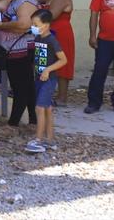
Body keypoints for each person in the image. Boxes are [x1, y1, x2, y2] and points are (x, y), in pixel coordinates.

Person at [0, 0, 40, 126]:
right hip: (12, 50)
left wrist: (0, 25)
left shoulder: (27, 2)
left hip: (21, 51)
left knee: (20, 88)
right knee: (28, 86)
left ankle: (13, 124)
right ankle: (33, 120)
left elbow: (24, 25)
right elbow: (0, 4)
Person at [27, 9, 67, 153]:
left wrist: (48, 70)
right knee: (48, 109)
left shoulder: (51, 40)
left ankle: (38, 140)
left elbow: (63, 60)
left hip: (48, 80)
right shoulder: (38, 38)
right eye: (32, 24)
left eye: (36, 24)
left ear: (46, 24)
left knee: (39, 108)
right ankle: (50, 140)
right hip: (38, 78)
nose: (33, 26)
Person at [39, 0, 75, 105]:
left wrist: (37, 12)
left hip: (61, 32)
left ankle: (62, 97)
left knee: (62, 63)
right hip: (50, 31)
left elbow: (52, 15)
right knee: (46, 61)